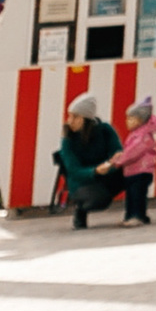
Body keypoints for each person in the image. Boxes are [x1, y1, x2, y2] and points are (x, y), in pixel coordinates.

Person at [54, 93, 121, 229]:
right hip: (80, 182)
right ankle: (80, 210)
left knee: (134, 172)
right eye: (69, 115)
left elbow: (117, 153)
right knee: (100, 200)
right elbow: (73, 170)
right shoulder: (68, 138)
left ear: (86, 119)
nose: (70, 121)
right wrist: (95, 171)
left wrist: (113, 163)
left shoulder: (105, 130)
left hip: (104, 175)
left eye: (75, 116)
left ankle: (135, 213)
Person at [97, 94, 156, 226]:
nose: (127, 121)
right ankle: (133, 216)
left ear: (140, 120)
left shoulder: (142, 136)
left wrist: (117, 161)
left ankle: (137, 216)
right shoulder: (137, 134)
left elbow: (132, 153)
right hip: (133, 171)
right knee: (132, 195)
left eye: (130, 118)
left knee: (136, 195)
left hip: (140, 171)